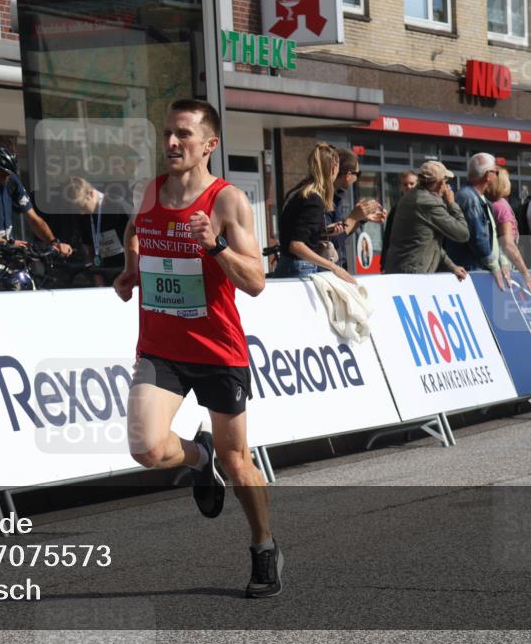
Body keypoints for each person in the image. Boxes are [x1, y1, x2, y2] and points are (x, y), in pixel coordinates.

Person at [113, 99, 280, 597]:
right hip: (160, 348)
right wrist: (130, 268)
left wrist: (215, 246)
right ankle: (195, 456)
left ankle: (264, 546)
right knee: (145, 448)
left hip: (217, 350)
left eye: (183, 135)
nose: (171, 143)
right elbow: (135, 231)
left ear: (210, 144)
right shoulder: (150, 192)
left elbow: (257, 282)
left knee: (237, 462)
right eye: (167, 133)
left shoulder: (227, 202)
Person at [273, 143, 357, 284]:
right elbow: (296, 245)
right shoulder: (314, 199)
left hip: (291, 266)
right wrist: (333, 267)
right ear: (333, 169)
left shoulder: (302, 192)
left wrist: (324, 232)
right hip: (299, 268)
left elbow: (296, 234)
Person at [0, 136, 72, 257]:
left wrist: (53, 243)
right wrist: (8, 243)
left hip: (6, 253)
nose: (6, 177)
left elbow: (33, 219)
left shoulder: (12, 180)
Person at [383, 161, 469, 279]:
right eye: (445, 181)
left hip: (403, 271)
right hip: (412, 275)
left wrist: (452, 266)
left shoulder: (410, 197)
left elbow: (428, 241)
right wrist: (451, 203)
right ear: (440, 183)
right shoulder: (429, 203)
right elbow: (463, 234)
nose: (446, 185)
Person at [444, 153, 505, 289]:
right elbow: (478, 238)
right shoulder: (470, 199)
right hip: (472, 270)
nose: (497, 176)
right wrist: (494, 266)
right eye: (496, 172)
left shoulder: (474, 197)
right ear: (487, 175)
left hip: (473, 268)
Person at [61, 176, 130, 286]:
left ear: (91, 194)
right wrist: (98, 279)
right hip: (104, 272)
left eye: (82, 207)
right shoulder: (82, 215)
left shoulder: (118, 206)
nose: (81, 213)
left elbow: (138, 238)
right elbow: (90, 247)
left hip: (126, 270)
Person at [325, 148, 385, 270]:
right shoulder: (323, 197)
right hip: (326, 270)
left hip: (334, 267)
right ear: (348, 175)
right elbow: (331, 241)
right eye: (358, 174)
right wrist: (354, 217)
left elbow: (340, 233)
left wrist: (360, 219)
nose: (357, 179)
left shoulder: (336, 196)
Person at [487, 167, 531, 295]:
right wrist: (525, 274)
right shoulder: (501, 206)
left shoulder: (492, 203)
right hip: (504, 268)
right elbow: (508, 244)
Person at [381, 170, 418, 271]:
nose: (409, 187)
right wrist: (383, 264)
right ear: (401, 187)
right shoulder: (396, 208)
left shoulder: (424, 205)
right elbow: (388, 237)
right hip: (401, 262)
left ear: (417, 184)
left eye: (412, 184)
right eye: (405, 184)